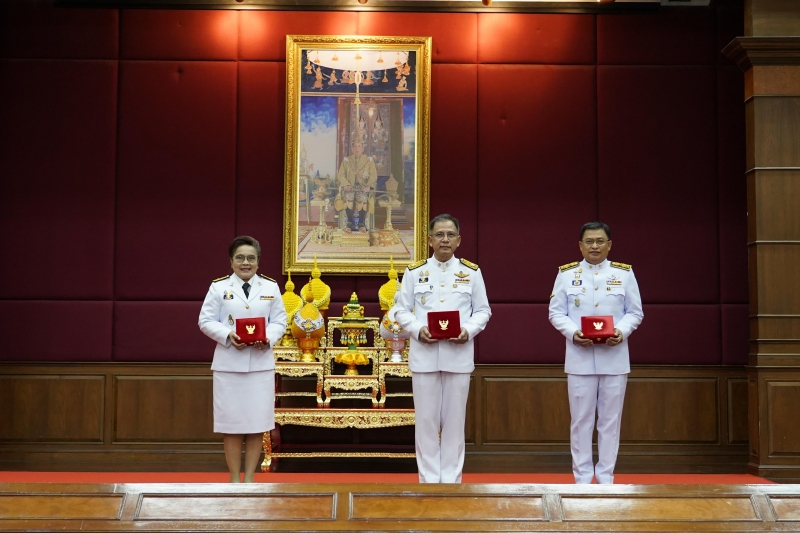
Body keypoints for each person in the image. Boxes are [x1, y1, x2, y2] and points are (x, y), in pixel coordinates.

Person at [394, 214, 491, 483]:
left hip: (458, 355)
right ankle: (428, 483)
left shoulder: (471, 272)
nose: (444, 239)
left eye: (450, 235)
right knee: (425, 423)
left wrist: (468, 330)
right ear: (429, 240)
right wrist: (416, 329)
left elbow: (483, 311)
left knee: (454, 424)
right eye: (439, 235)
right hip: (424, 356)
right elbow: (400, 310)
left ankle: (451, 483)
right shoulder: (415, 272)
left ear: (458, 240)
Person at [548, 222, 643, 484]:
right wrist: (573, 332)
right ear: (580, 245)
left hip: (614, 358)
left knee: (610, 422)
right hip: (579, 357)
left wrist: (621, 332)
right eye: (589, 241)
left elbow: (635, 312)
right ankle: (581, 479)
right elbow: (556, 312)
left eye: (600, 241)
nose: (594, 246)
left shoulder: (624, 274)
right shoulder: (566, 274)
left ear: (609, 245)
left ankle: (605, 478)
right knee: (580, 421)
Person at [198, 236, 287, 483]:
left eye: (250, 258)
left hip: (260, 365)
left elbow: (280, 321)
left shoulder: (270, 287)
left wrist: (267, 338)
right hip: (229, 366)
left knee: (257, 423)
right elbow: (205, 321)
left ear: (258, 262)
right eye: (240, 258)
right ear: (231, 261)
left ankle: (250, 478)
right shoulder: (218, 287)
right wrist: (227, 335)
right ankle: (234, 478)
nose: (245, 263)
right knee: (232, 424)